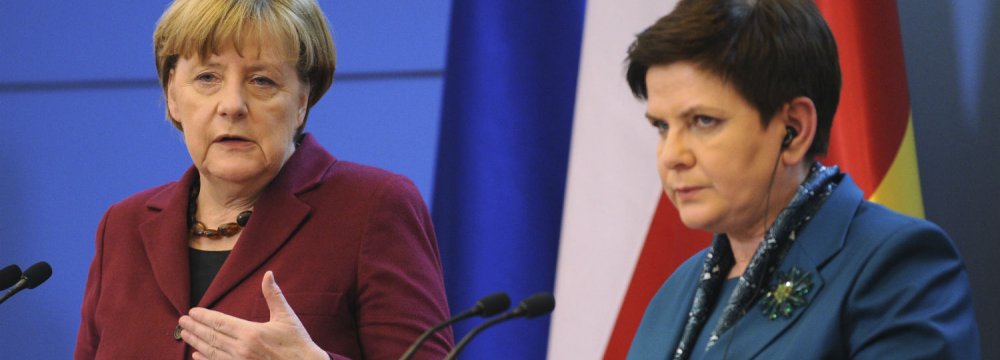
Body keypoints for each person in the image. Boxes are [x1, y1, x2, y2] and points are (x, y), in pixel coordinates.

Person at [74, 0, 453, 358]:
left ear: (302, 99)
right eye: (208, 77)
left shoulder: (371, 208)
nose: (233, 105)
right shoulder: (123, 227)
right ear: (173, 94)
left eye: (262, 81)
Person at [623, 0, 980, 359]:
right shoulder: (674, 294)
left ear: (794, 130)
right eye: (662, 126)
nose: (671, 156)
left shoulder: (897, 267)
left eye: (703, 121)